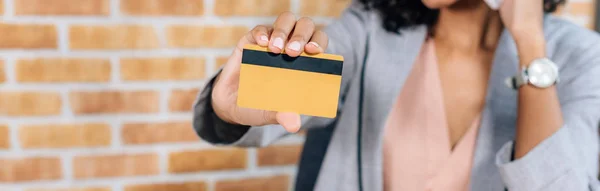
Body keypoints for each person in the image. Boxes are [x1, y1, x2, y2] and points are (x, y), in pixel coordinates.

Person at [192, 0, 600, 190]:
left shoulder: (581, 56)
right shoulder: (370, 29)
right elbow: (284, 100)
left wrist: (530, 40)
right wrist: (230, 106)